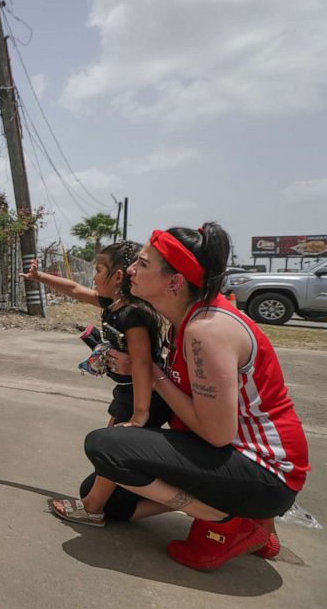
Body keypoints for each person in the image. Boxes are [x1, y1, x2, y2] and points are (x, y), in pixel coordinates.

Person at [88, 223, 309, 571]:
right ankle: (250, 517)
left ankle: (232, 523)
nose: (130, 269)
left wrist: (151, 374)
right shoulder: (183, 319)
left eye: (143, 264)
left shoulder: (206, 331)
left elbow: (217, 433)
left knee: (107, 448)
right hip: (232, 458)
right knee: (110, 494)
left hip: (264, 472)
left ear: (174, 282)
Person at [22, 242, 170, 526]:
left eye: (99, 269)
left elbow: (141, 364)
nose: (93, 276)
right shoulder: (113, 304)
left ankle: (92, 507)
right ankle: (99, 501)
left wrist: (140, 414)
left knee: (114, 453)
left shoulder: (134, 314)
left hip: (144, 399)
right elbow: (75, 290)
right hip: (128, 394)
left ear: (117, 277)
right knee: (111, 450)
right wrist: (40, 278)